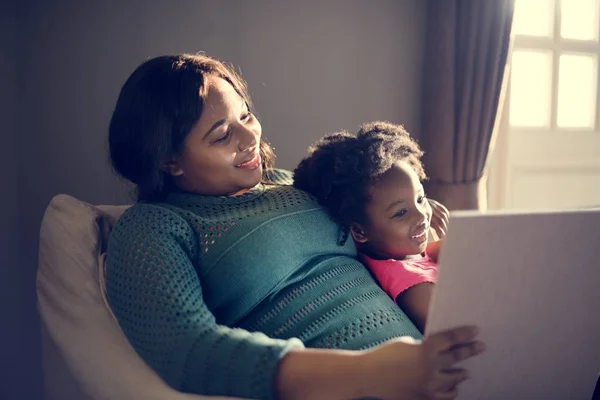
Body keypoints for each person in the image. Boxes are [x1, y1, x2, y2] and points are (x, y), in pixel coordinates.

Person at [106, 53, 485, 400]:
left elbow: (379, 234)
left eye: (246, 116)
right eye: (222, 135)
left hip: (436, 373)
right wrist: (368, 372)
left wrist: (416, 212)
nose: (249, 137)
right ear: (170, 160)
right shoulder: (153, 226)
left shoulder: (296, 183)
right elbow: (184, 349)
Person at [293, 122, 445, 332]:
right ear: (360, 231)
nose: (421, 215)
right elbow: (454, 326)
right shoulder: (410, 284)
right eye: (401, 212)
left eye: (421, 199)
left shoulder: (403, 253)